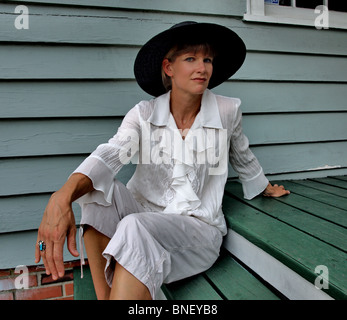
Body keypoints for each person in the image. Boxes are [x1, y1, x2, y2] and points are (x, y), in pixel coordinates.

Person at [35, 21, 290, 300]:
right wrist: (62, 196)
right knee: (98, 192)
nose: (202, 68)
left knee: (133, 226)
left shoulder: (227, 110)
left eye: (207, 59)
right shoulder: (144, 114)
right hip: (144, 214)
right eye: (190, 58)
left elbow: (242, 154)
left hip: (198, 230)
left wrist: (262, 185)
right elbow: (111, 153)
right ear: (169, 68)